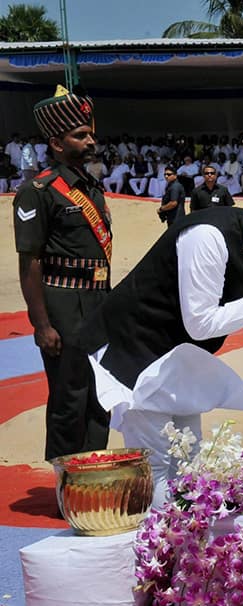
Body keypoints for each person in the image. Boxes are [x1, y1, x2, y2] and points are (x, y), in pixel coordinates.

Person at [79, 206, 243, 505]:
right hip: (134, 352)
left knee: (188, 463)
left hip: (174, 361)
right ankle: (156, 544)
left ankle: (186, 542)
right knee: (155, 466)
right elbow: (201, 323)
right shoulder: (208, 237)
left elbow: (242, 314)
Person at [13, 86, 112, 461]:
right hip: (63, 303)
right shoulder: (37, 191)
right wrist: (42, 324)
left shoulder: (90, 186)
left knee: (101, 392)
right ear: (56, 143)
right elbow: (30, 262)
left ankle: (95, 474)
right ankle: (67, 483)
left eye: (89, 133)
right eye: (80, 135)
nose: (91, 140)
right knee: (70, 396)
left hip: (99, 299)